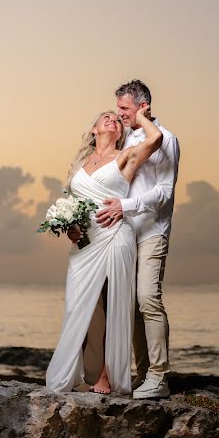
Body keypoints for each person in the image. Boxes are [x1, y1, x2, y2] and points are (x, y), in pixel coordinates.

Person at [69, 80, 180, 399]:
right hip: (122, 234)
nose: (118, 114)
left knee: (148, 299)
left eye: (124, 109)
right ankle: (142, 374)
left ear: (143, 107)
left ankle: (159, 375)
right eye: (117, 109)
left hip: (151, 231)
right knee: (126, 307)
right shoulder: (124, 137)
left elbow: (164, 192)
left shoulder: (166, 139)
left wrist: (125, 206)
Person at [45, 106, 162, 395]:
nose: (112, 119)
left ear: (121, 133)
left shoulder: (124, 157)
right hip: (85, 243)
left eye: (117, 119)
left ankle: (106, 378)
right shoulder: (81, 163)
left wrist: (141, 117)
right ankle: (75, 372)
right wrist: (70, 227)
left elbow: (155, 137)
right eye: (105, 117)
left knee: (114, 306)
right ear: (94, 129)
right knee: (77, 307)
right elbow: (72, 204)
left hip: (114, 236)